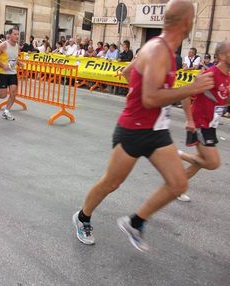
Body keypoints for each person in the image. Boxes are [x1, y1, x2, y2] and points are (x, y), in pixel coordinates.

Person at [72, 0, 215, 252]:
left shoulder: (167, 51)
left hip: (157, 130)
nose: (193, 23)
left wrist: (135, 89)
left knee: (178, 183)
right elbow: (150, 98)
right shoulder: (158, 50)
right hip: (134, 129)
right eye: (193, 19)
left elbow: (128, 72)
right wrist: (190, 88)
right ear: (186, 22)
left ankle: (135, 222)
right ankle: (82, 217)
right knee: (111, 183)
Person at [176, 41, 230, 202]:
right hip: (199, 123)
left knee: (200, 163)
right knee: (212, 162)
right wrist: (189, 120)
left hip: (210, 124)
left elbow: (222, 99)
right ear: (221, 56)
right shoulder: (209, 74)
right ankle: (175, 154)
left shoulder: (227, 76)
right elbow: (185, 95)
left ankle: (176, 187)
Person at [0, 27, 22, 121]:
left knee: (13, 93)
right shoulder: (3, 45)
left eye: (18, 34)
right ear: (9, 35)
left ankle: (6, 112)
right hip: (3, 73)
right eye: (15, 34)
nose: (17, 36)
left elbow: (15, 58)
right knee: (3, 95)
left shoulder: (17, 46)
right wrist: (3, 65)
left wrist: (18, 63)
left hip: (12, 72)